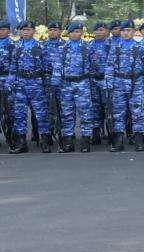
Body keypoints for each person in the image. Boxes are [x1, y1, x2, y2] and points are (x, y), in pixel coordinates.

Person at [8, 20, 50, 154]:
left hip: (36, 83)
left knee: (41, 113)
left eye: (28, 30)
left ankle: (44, 141)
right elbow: (13, 66)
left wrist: (47, 85)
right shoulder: (16, 46)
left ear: (34, 32)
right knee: (19, 114)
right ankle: (21, 143)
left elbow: (47, 67)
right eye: (23, 30)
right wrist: (10, 81)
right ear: (20, 31)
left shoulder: (40, 46)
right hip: (20, 84)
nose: (26, 32)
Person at [51, 22, 94, 153]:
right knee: (67, 114)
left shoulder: (87, 48)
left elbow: (93, 67)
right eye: (72, 32)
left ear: (81, 33)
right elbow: (57, 67)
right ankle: (68, 141)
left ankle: (86, 141)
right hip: (66, 85)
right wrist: (55, 84)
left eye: (77, 31)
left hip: (82, 84)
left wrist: (89, 82)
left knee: (85, 113)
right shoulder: (61, 48)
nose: (75, 34)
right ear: (68, 34)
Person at [105, 20, 144, 152]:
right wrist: (109, 85)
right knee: (118, 113)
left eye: (128, 30)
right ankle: (118, 141)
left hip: (135, 83)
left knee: (138, 112)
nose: (126, 33)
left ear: (134, 31)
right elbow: (109, 67)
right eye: (123, 30)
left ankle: (139, 140)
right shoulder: (115, 47)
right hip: (118, 84)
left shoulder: (140, 47)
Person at [89, 22, 112, 144]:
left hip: (107, 81)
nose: (99, 32)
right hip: (93, 82)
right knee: (94, 108)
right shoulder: (88, 46)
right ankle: (96, 133)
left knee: (108, 107)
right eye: (96, 30)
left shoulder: (113, 45)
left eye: (102, 30)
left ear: (107, 31)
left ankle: (111, 133)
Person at [0, 20, 14, 149]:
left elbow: (15, 65)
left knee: (10, 110)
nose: (0, 32)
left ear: (8, 31)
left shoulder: (12, 45)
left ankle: (12, 135)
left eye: (3, 29)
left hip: (8, 79)